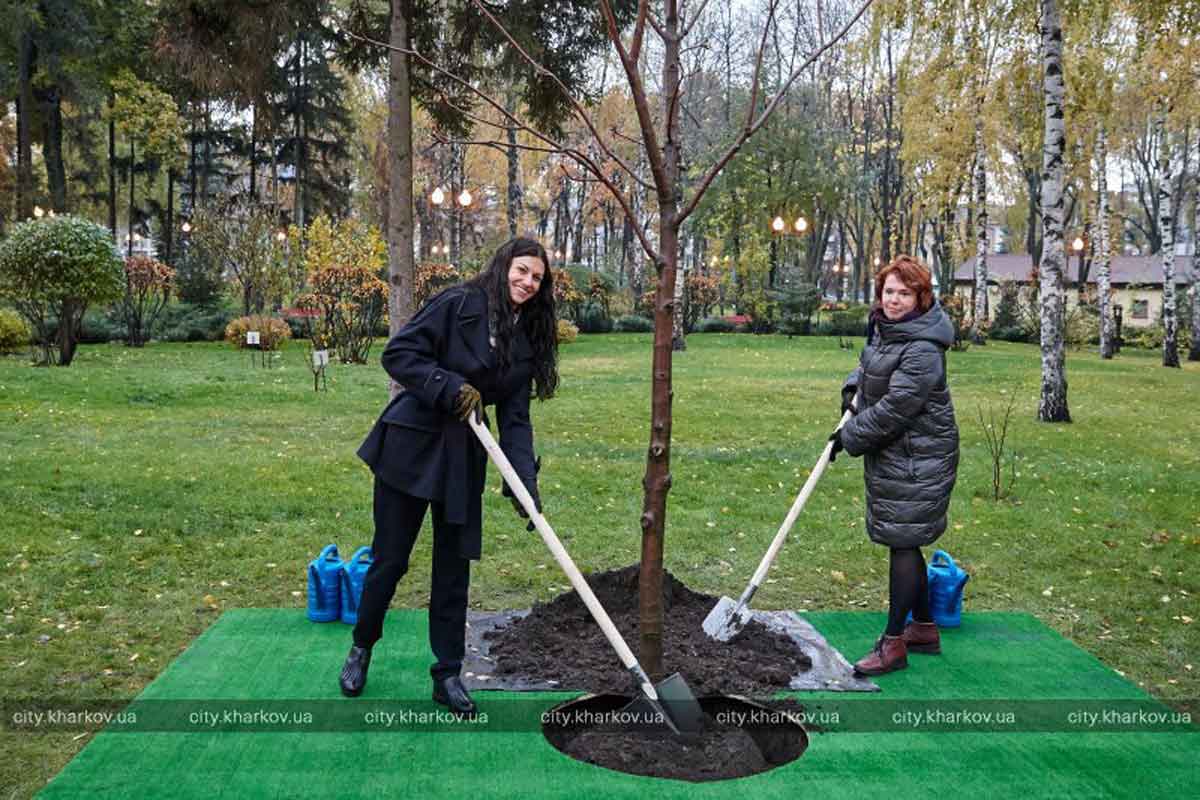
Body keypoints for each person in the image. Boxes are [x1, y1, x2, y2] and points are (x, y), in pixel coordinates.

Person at [339, 237, 558, 715]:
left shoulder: (525, 342)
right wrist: (450, 386)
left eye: (537, 278)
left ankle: (447, 674)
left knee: (453, 567)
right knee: (390, 561)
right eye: (522, 271)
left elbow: (516, 420)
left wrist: (524, 485)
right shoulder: (458, 303)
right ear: (503, 267)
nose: (527, 282)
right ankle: (361, 647)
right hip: (410, 445)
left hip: (463, 458)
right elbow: (398, 354)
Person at [828, 255, 959, 676]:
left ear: (921, 297)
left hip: (920, 457)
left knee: (902, 541)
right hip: (899, 453)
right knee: (906, 538)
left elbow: (896, 407)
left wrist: (849, 437)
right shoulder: (890, 332)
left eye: (905, 293)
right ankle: (923, 628)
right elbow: (869, 369)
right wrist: (852, 390)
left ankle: (893, 643)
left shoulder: (923, 349)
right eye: (889, 292)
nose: (895, 300)